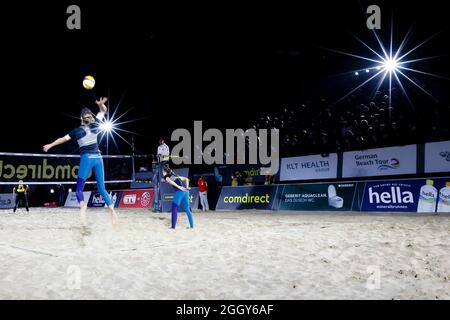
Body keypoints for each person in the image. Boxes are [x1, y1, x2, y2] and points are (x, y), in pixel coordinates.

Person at [42, 97, 118, 227]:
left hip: (87, 159)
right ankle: (111, 209)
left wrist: (50, 145)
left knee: (79, 189)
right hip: (98, 159)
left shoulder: (76, 131)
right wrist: (101, 105)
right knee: (102, 188)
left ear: (81, 118)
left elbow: (62, 139)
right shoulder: (95, 125)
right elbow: (104, 111)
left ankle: (82, 206)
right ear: (89, 117)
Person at [162, 165, 194, 229]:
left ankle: (173, 227)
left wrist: (178, 187)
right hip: (186, 191)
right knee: (187, 209)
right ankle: (192, 226)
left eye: (162, 172)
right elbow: (186, 179)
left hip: (180, 191)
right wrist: (187, 187)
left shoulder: (166, 176)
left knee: (174, 208)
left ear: (164, 172)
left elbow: (170, 181)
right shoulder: (176, 176)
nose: (162, 173)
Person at [152, 138, 171, 212]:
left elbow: (166, 154)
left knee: (165, 172)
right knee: (158, 175)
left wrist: (161, 155)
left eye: (161, 141)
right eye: (159, 142)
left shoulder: (166, 146)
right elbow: (158, 154)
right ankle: (157, 207)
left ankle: (166, 178)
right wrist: (158, 156)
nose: (160, 142)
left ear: (163, 141)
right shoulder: (159, 147)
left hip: (165, 161)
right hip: (160, 162)